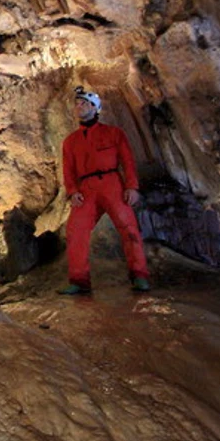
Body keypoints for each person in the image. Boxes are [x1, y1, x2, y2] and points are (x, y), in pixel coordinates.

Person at [59, 87, 151, 295]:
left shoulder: (113, 133)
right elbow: (68, 169)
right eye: (77, 103)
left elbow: (127, 162)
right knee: (76, 231)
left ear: (94, 107)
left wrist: (132, 187)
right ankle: (79, 280)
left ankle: (139, 275)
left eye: (83, 103)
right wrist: (73, 191)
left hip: (112, 183)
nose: (78, 107)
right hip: (86, 188)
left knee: (128, 228)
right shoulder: (70, 141)